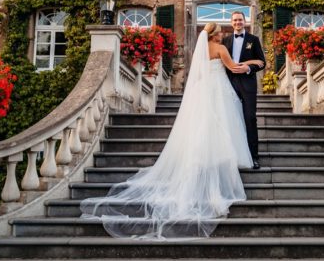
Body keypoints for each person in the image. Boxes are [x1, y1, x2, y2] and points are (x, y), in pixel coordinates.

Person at [80, 23, 252, 239]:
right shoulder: (221, 49)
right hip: (218, 90)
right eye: (220, 32)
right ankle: (218, 159)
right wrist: (250, 64)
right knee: (222, 123)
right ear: (216, 33)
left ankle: (201, 156)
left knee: (202, 125)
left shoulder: (201, 50)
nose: (222, 35)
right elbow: (234, 68)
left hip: (203, 90)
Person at [223, 10, 267, 169]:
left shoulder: (253, 40)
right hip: (229, 84)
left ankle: (254, 157)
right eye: (235, 20)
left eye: (240, 20)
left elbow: (262, 62)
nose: (237, 23)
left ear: (245, 21)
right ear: (231, 23)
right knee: (230, 120)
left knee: (250, 119)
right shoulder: (225, 40)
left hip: (248, 84)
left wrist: (248, 68)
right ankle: (232, 157)